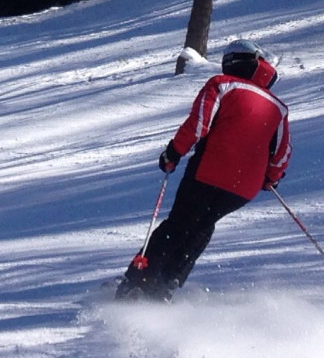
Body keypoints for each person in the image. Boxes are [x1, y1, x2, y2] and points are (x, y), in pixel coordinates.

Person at [117, 40, 291, 298]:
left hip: (209, 170)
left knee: (179, 223)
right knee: (202, 225)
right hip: (244, 188)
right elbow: (281, 154)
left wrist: (173, 153)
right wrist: (271, 179)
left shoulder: (222, 85)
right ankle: (167, 284)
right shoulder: (279, 107)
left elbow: (199, 126)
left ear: (231, 61)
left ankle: (138, 283)